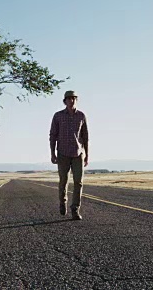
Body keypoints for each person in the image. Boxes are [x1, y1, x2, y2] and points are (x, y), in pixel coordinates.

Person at [49, 90, 89, 220]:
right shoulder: (58, 116)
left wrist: (87, 155)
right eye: (69, 99)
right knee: (63, 181)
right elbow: (53, 135)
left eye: (73, 98)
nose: (71, 101)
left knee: (78, 182)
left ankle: (75, 209)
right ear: (65, 101)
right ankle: (63, 202)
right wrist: (52, 153)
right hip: (63, 154)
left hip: (78, 154)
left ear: (76, 100)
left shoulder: (81, 116)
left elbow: (85, 136)